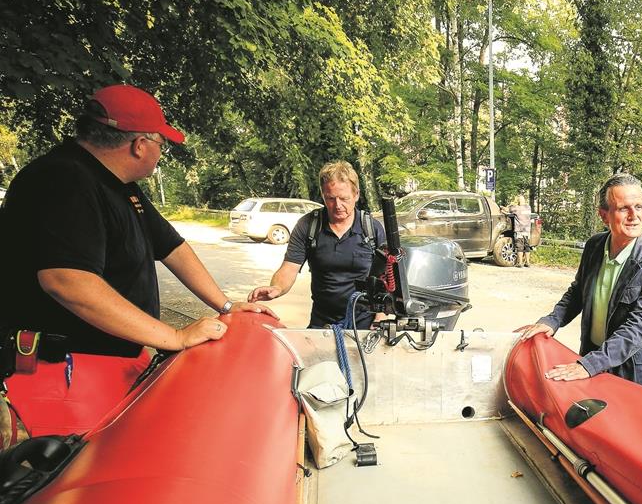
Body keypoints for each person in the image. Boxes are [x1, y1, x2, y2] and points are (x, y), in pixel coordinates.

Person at [0, 84, 273, 437]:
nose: (161, 153)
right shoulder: (63, 179)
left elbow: (172, 247)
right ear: (139, 145)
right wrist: (174, 337)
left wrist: (226, 303)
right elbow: (67, 281)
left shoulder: (119, 183)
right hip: (59, 373)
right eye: (161, 144)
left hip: (104, 366)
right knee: (75, 479)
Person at [515, 173, 642, 392]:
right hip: (595, 356)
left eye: (639, 207)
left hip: (635, 371)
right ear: (604, 215)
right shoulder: (595, 246)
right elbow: (578, 292)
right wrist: (552, 321)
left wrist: (590, 364)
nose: (634, 216)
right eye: (623, 208)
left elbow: (639, 325)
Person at [248, 161, 379, 329]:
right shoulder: (308, 225)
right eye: (330, 198)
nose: (337, 205)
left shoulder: (372, 229)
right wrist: (276, 288)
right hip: (321, 323)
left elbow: (385, 279)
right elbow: (289, 267)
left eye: (344, 198)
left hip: (364, 325)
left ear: (356, 195)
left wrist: (380, 317)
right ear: (323, 195)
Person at [507, 196, 533, 267]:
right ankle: (527, 263)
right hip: (527, 230)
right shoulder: (528, 207)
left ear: (517, 201)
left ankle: (520, 263)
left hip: (520, 230)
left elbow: (507, 210)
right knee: (527, 246)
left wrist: (511, 204)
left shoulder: (516, 208)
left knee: (519, 246)